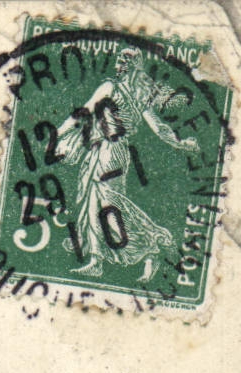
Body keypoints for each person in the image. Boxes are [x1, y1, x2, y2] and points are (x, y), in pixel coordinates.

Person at [55, 47, 198, 281]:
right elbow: (160, 128)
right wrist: (180, 143)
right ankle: (103, 258)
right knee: (103, 203)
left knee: (103, 203)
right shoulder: (140, 97)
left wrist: (56, 133)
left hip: (108, 150)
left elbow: (82, 113)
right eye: (120, 58)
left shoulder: (110, 88)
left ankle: (147, 244)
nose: (119, 62)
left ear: (134, 65)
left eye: (125, 59)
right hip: (115, 152)